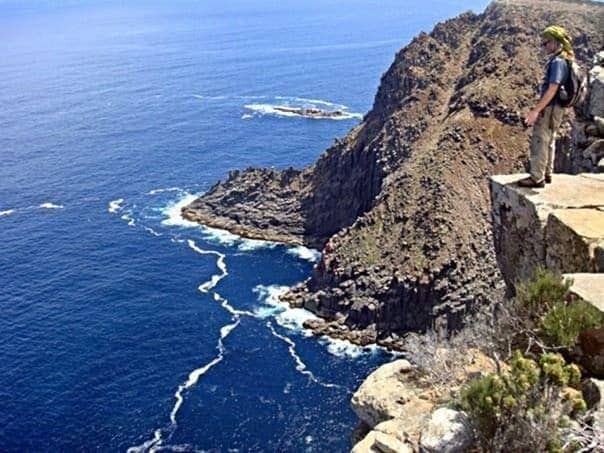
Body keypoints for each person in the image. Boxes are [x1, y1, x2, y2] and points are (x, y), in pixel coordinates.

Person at [519, 25, 574, 188]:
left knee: (540, 139)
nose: (544, 46)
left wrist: (536, 111)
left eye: (546, 43)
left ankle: (537, 177)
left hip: (549, 107)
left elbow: (553, 87)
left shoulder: (557, 62)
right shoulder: (566, 60)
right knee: (550, 139)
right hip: (557, 108)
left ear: (557, 42)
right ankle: (547, 173)